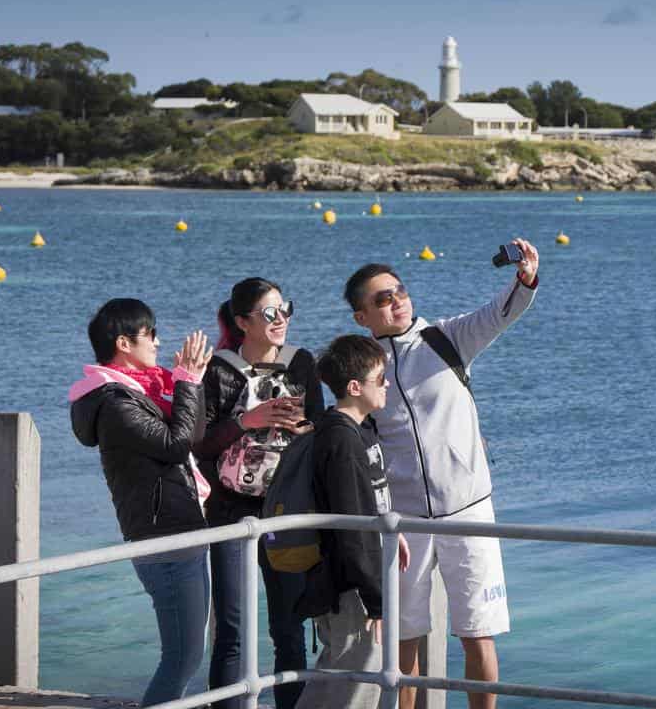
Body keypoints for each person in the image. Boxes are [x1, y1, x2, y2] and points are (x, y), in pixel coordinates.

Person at [343, 238, 539, 709]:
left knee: (478, 635)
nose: (396, 300)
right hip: (405, 524)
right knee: (404, 639)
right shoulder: (365, 366)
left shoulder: (446, 338)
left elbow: (500, 313)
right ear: (361, 317)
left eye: (399, 290)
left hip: (468, 512)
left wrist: (526, 278)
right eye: (382, 298)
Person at [68, 298, 213, 706]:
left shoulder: (147, 391)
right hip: (161, 534)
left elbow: (195, 432)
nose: (157, 341)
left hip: (183, 526)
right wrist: (185, 382)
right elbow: (174, 443)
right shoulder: (115, 403)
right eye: (150, 333)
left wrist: (191, 382)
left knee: (187, 653)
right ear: (123, 343)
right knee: (182, 657)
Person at [194, 277, 326, 709]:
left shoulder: (302, 362)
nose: (281, 319)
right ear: (242, 321)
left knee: (288, 626)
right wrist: (247, 421)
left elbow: (322, 432)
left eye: (285, 309)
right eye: (269, 313)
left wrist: (300, 426)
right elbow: (200, 444)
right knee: (230, 627)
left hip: (286, 510)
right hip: (232, 510)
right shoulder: (219, 369)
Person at [295, 334, 410, 709]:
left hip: (361, 577)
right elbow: (350, 530)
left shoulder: (361, 429)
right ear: (355, 387)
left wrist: (393, 531)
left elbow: (372, 500)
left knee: (335, 680)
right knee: (355, 687)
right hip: (350, 589)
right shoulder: (341, 442)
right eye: (381, 378)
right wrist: (376, 601)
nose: (388, 384)